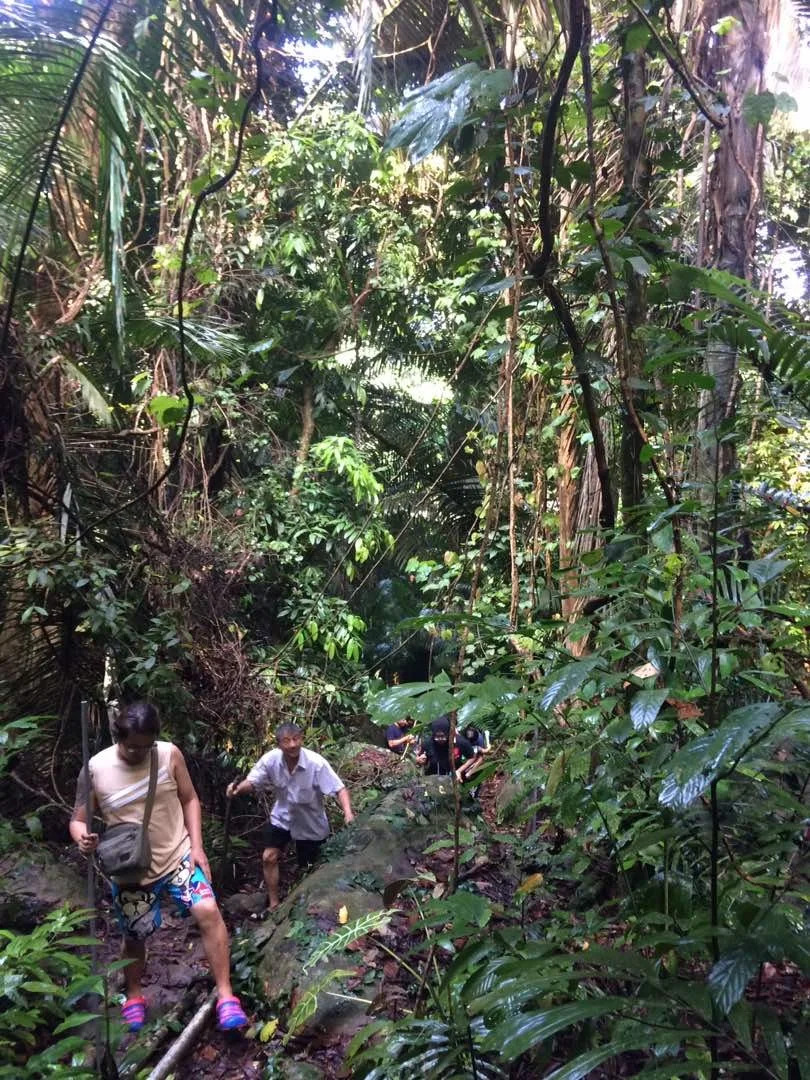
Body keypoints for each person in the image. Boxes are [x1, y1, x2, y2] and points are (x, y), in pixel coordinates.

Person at [70, 701, 247, 1034]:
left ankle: (226, 995)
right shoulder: (95, 769)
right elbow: (78, 820)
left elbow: (190, 798)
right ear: (118, 737)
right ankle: (134, 994)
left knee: (208, 910)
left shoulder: (168, 754)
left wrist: (197, 847)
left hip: (178, 855)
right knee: (135, 935)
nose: (140, 753)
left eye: (146, 746)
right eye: (132, 747)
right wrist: (83, 839)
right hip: (131, 870)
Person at [226, 723, 354, 911]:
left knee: (309, 869)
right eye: (286, 741)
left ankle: (306, 905)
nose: (293, 744)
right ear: (279, 744)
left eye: (296, 739)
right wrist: (237, 790)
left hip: (310, 823)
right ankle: (274, 904)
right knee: (269, 857)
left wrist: (348, 813)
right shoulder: (271, 760)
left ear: (302, 739)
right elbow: (253, 782)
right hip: (283, 816)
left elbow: (339, 789)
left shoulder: (315, 763)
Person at [415, 716, 481, 777]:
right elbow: (419, 757)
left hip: (453, 776)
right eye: (437, 736)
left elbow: (472, 757)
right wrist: (419, 760)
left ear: (448, 733)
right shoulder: (427, 743)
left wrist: (459, 771)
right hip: (433, 778)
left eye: (442, 736)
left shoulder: (459, 742)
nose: (440, 739)